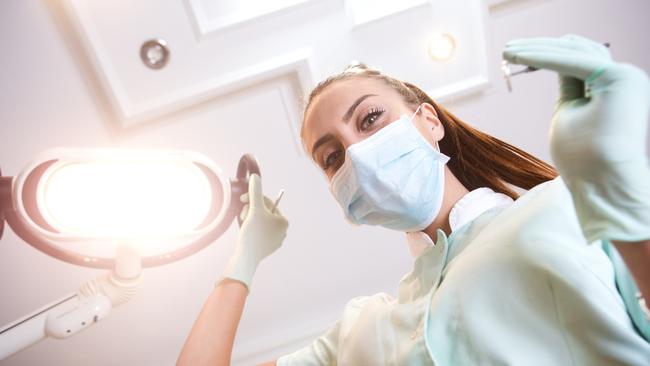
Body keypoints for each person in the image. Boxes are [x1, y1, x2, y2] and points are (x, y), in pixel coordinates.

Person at [176, 35, 650, 365]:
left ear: (429, 121)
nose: (357, 154)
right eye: (332, 156)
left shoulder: (563, 207)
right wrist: (244, 259)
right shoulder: (361, 333)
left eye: (369, 119)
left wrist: (614, 179)